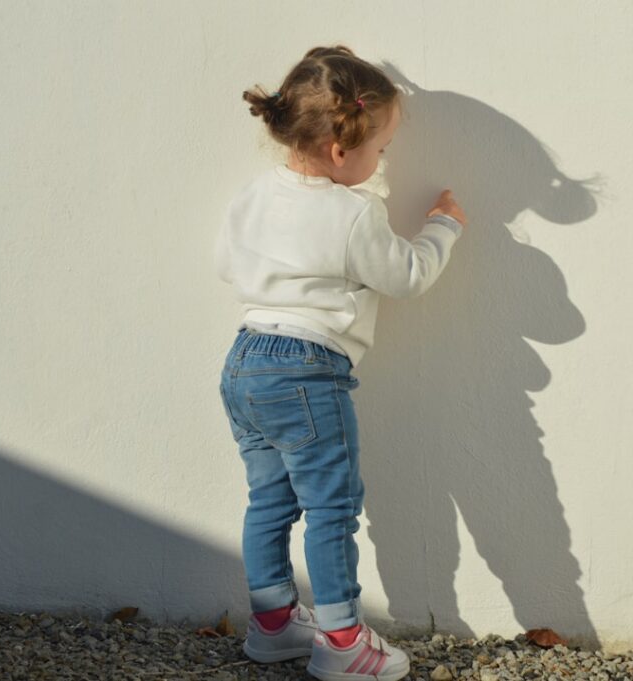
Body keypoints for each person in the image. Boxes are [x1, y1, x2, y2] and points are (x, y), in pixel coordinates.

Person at [214, 44, 468, 681]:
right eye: (380, 150)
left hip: (244, 360)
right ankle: (342, 642)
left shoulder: (254, 194)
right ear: (339, 151)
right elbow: (406, 275)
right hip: (305, 369)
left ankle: (272, 624)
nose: (382, 163)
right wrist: (443, 227)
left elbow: (226, 263)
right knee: (331, 508)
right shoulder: (353, 213)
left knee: (268, 501)